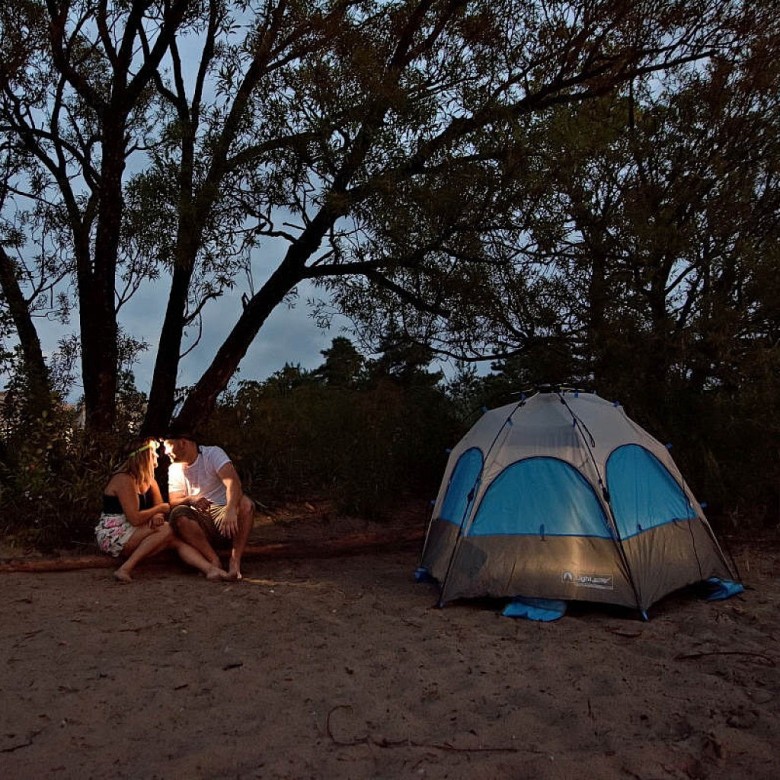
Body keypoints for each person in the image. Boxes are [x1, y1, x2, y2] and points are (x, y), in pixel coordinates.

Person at [95, 438, 230, 583]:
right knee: (166, 529)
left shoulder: (149, 479)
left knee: (174, 540)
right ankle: (125, 568)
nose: (158, 456)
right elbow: (135, 517)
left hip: (133, 528)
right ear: (145, 455)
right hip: (114, 532)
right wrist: (158, 509)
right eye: (154, 452)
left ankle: (210, 569)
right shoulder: (124, 479)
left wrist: (158, 514)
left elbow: (159, 504)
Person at [163, 429, 255, 580]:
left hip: (222, 513)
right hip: (199, 521)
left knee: (246, 504)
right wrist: (191, 499)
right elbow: (174, 500)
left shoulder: (212, 454)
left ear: (182, 443)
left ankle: (235, 561)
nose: (166, 452)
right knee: (178, 513)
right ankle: (213, 561)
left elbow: (233, 482)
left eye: (168, 446)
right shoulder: (174, 468)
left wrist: (230, 509)